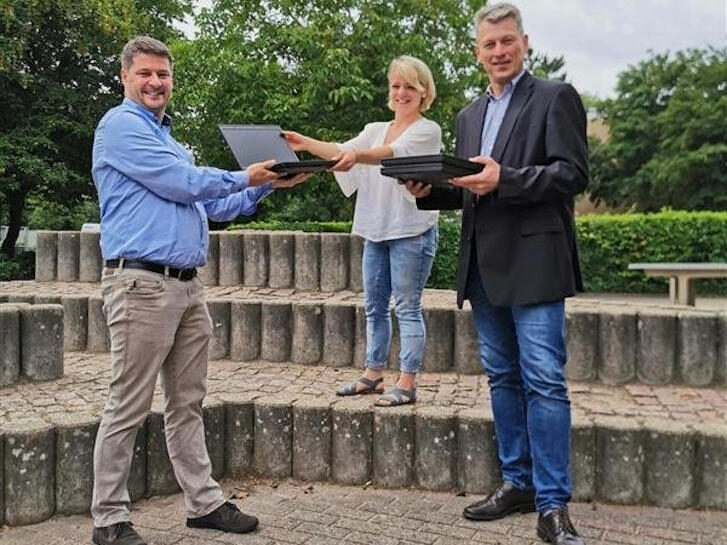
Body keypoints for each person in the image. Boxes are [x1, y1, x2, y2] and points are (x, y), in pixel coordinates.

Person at [90, 36, 308, 545]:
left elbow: (210, 206)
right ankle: (108, 519)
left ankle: (203, 503)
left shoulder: (169, 138)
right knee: (128, 405)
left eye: (163, 75)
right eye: (144, 73)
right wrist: (240, 174)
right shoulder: (120, 126)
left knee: (187, 402)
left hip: (187, 288)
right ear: (125, 77)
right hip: (141, 284)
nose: (155, 83)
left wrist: (264, 185)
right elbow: (182, 183)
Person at [406, 4, 588, 545]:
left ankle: (553, 506)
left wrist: (506, 178)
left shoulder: (555, 97)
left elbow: (571, 174)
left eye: (507, 41)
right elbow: (469, 187)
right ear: (478, 52)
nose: (499, 51)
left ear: (524, 43)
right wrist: (429, 191)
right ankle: (518, 482)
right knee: (503, 380)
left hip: (535, 265)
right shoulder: (467, 116)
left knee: (544, 383)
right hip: (482, 268)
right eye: (489, 45)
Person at [283, 55, 441, 406]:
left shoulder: (428, 131)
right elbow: (343, 152)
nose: (401, 92)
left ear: (424, 92)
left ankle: (408, 382)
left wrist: (355, 156)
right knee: (374, 307)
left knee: (407, 308)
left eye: (409, 86)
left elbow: (390, 155)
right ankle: (372, 375)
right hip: (375, 230)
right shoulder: (374, 129)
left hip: (411, 232)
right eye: (396, 85)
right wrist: (305, 142)